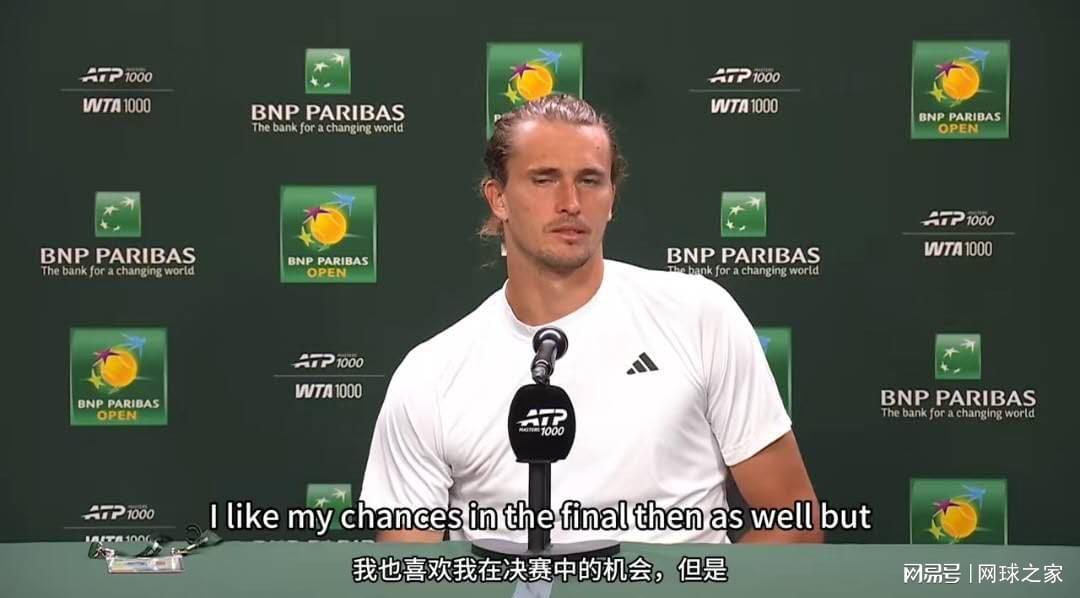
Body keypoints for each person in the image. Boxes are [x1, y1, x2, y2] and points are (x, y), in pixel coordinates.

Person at [360, 93, 822, 544]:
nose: (571, 202)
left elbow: (794, 522)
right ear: (498, 198)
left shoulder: (699, 316)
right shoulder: (431, 375)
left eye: (589, 180)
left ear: (612, 198)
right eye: (544, 180)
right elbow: (407, 569)